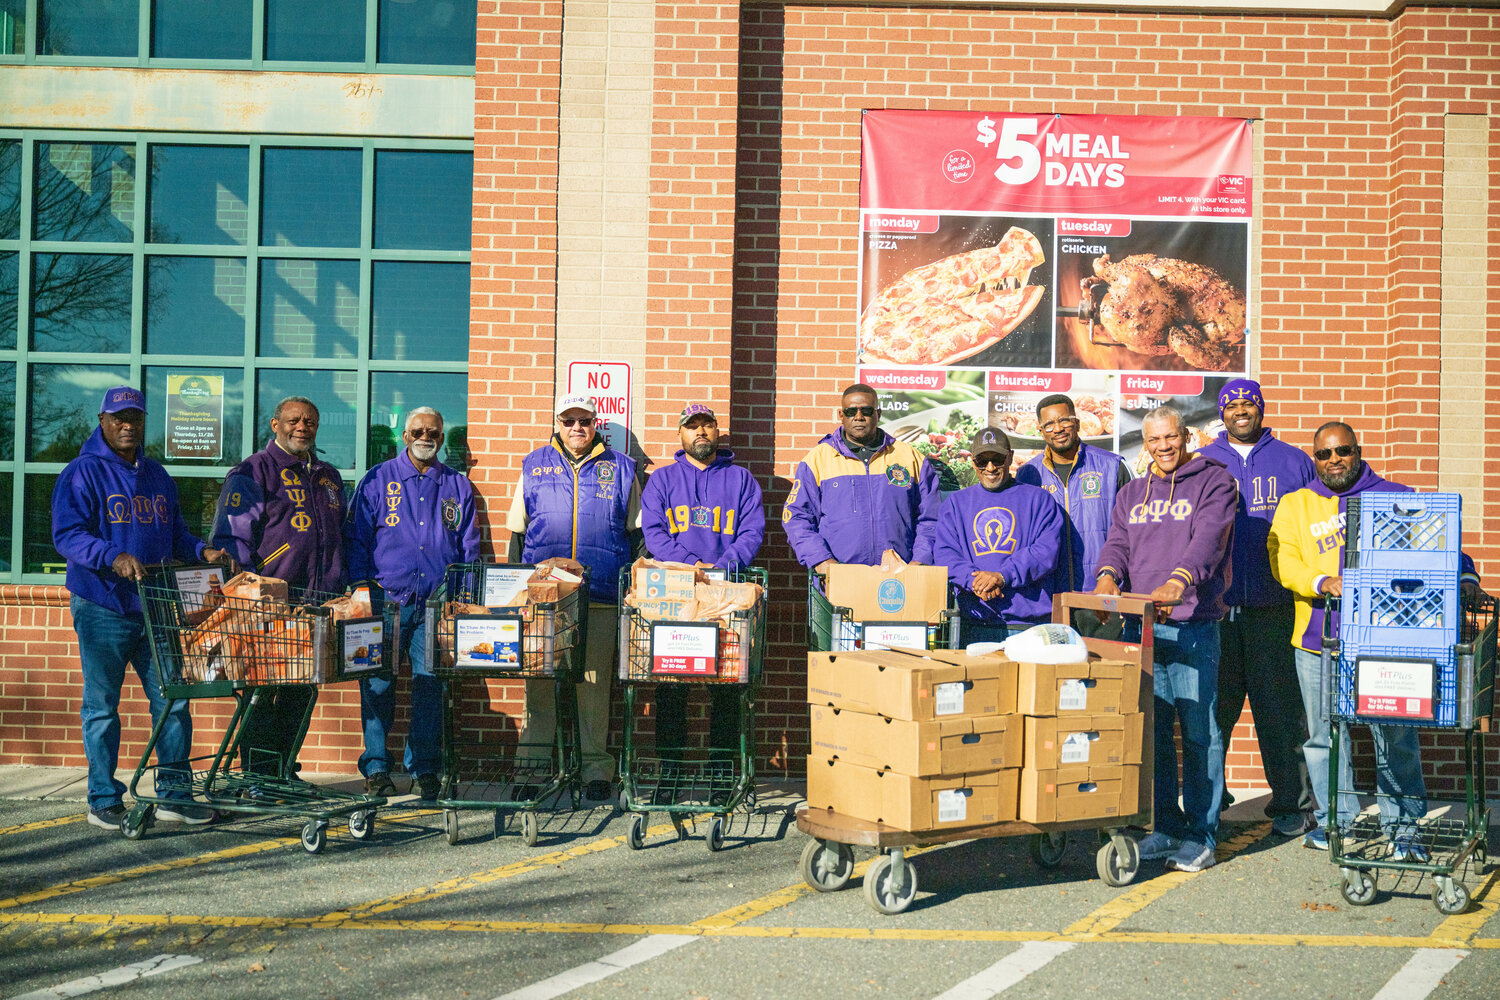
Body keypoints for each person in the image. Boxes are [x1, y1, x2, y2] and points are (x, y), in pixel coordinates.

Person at [1268, 422, 1480, 856]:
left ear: (1358, 451)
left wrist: (1466, 574)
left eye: (1342, 451)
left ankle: (1404, 829)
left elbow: (1442, 541)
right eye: (1323, 455)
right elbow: (1282, 559)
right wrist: (1321, 580)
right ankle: (1335, 824)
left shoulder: (1394, 495)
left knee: (1395, 733)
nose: (1334, 461)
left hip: (1388, 638)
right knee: (1324, 736)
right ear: (1315, 460)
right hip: (1318, 639)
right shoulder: (1296, 504)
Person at [52, 386, 226, 829]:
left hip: (156, 608)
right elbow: (67, 535)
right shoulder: (81, 473)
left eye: (135, 417)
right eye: (118, 417)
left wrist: (201, 551)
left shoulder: (157, 475)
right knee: (102, 707)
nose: (128, 425)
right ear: (102, 420)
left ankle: (174, 795)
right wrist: (111, 556)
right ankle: (103, 799)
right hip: (103, 606)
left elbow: (177, 535)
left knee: (173, 703)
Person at [1094, 405, 1237, 873]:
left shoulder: (1213, 482)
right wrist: (1107, 577)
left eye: (1170, 438)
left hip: (1194, 624)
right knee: (1154, 734)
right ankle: (1165, 827)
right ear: (1145, 443)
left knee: (1200, 735)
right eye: (1153, 441)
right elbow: (1118, 542)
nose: (1163, 447)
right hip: (1143, 627)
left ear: (1186, 436)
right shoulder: (1132, 492)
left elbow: (1209, 539)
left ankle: (1201, 835)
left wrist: (1180, 579)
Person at [506, 393, 641, 802]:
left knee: (594, 686)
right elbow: (517, 534)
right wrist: (519, 592)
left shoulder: (621, 468)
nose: (577, 428)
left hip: (600, 596)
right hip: (545, 600)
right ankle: (530, 771)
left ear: (597, 424)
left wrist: (629, 589)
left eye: (585, 420)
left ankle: (596, 770)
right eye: (569, 421)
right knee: (540, 685)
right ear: (558, 423)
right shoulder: (534, 465)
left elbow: (637, 536)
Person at [1198, 379, 1317, 836]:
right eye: (1232, 405)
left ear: (1261, 409)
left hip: (1276, 607)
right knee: (1215, 711)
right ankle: (1213, 800)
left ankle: (1290, 804)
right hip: (1218, 609)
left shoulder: (1293, 461)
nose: (1241, 411)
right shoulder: (1206, 462)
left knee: (1280, 713)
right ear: (1222, 413)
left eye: (1249, 403)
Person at [345, 406, 479, 800]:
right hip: (385, 601)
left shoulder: (456, 485)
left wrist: (462, 597)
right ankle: (376, 768)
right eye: (418, 430)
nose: (426, 436)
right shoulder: (377, 480)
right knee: (377, 685)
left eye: (434, 432)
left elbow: (469, 548)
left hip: (437, 605)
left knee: (430, 687)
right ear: (405, 436)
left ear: (441, 438)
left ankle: (423, 768)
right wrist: (359, 588)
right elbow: (356, 540)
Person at [213, 395, 346, 783]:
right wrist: (252, 595)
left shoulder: (328, 476)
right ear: (275, 425)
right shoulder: (254, 471)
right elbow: (232, 541)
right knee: (263, 695)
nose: (301, 427)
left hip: (315, 606)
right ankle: (257, 777)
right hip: (269, 608)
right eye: (293, 420)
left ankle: (284, 770)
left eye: (310, 422)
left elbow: (338, 538)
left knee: (301, 693)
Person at [640, 403, 765, 802]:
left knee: (726, 686)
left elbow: (751, 530)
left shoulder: (741, 479)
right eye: (691, 426)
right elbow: (655, 533)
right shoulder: (661, 480)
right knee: (671, 683)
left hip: (727, 590)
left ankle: (721, 777)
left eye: (707, 425)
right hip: (675, 591)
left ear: (717, 432)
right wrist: (691, 566)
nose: (700, 432)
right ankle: (671, 775)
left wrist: (722, 567)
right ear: (680, 435)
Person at [783, 383, 940, 571]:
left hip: (899, 579)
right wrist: (822, 562)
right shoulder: (817, 460)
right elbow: (796, 517)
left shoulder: (911, 458)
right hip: (838, 578)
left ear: (878, 414)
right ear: (841, 415)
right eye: (851, 411)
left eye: (866, 410)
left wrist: (920, 561)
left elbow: (932, 517)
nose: (858, 417)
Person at [932, 428, 1065, 645]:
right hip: (974, 624)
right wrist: (974, 581)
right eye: (982, 461)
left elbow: (1045, 552)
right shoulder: (956, 504)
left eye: (998, 459)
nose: (991, 468)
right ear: (973, 462)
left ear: (1010, 457)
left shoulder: (1039, 500)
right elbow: (945, 554)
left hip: (1028, 626)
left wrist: (1002, 576)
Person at [1016, 393, 1131, 636]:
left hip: (1102, 595)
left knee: (1105, 671)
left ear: (1077, 423)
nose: (1057, 429)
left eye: (1064, 421)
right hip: (1050, 600)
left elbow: (1132, 534)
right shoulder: (1027, 475)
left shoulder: (1112, 467)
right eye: (1049, 424)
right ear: (1040, 430)